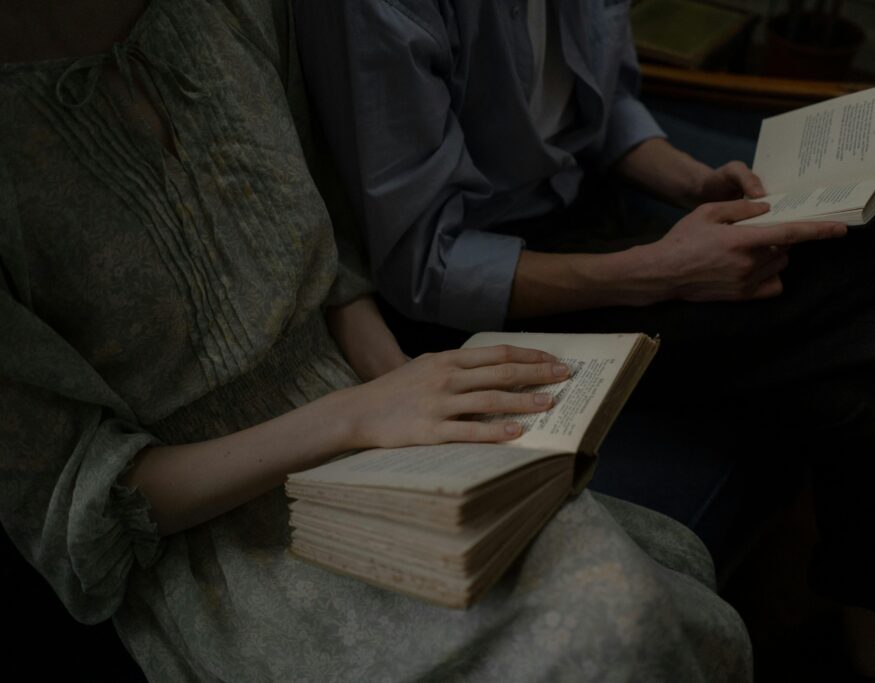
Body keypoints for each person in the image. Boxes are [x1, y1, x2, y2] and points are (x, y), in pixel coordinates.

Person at [0, 0, 755, 681]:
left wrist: (409, 385)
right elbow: (87, 502)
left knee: (636, 596)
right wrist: (362, 414)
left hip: (372, 410)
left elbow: (329, 244)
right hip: (227, 542)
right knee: (608, 629)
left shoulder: (236, 10)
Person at [293, 0, 875, 680]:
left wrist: (697, 182)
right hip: (477, 297)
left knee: (874, 386)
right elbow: (427, 264)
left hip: (592, 215)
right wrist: (659, 271)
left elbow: (605, 111)